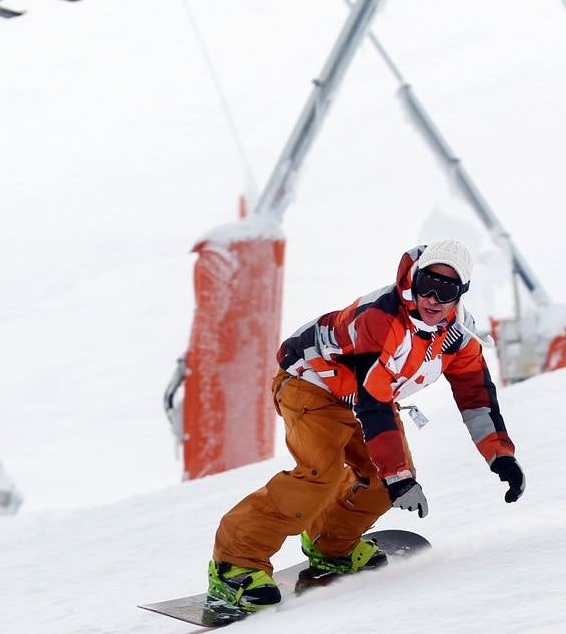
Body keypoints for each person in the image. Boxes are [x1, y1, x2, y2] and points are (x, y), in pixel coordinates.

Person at [207, 239, 526, 612]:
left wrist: (499, 456)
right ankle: (235, 565)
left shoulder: (457, 336)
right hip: (310, 384)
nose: (434, 298)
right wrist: (399, 476)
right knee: (319, 473)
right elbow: (375, 402)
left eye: (447, 289)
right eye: (427, 284)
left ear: (461, 294)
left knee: (381, 481)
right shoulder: (383, 318)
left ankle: (332, 546)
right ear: (414, 280)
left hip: (360, 397)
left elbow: (476, 396)